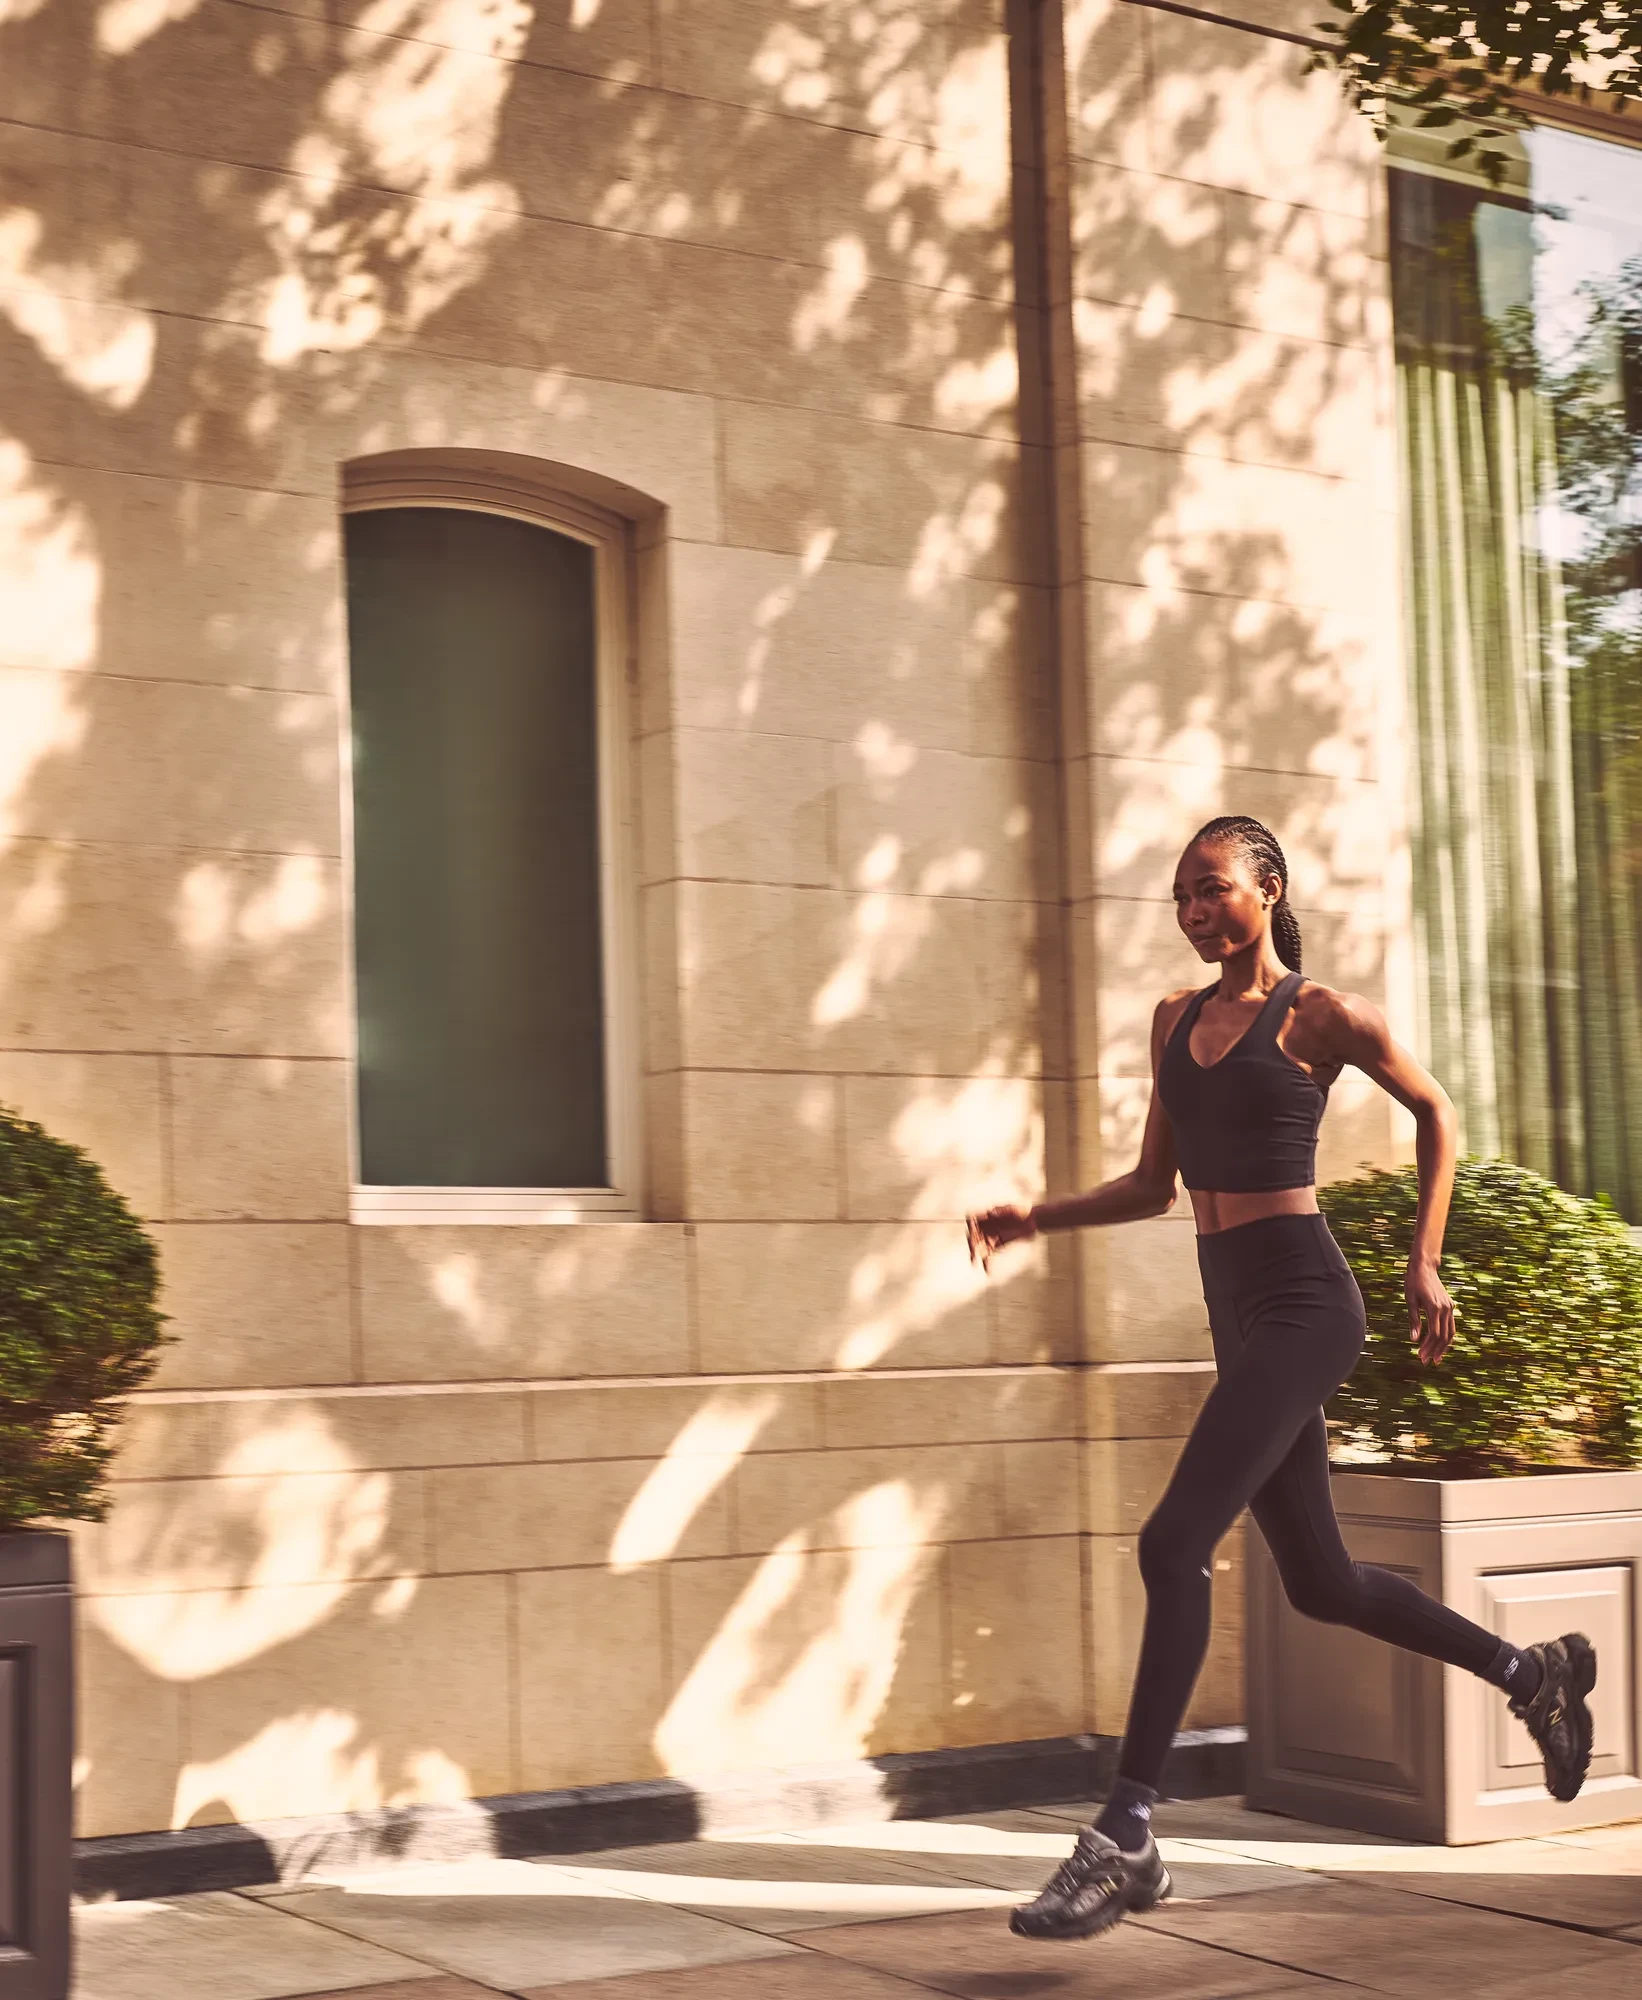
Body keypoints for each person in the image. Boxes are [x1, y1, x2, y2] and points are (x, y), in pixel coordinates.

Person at [966, 814, 1596, 1946]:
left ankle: (1124, 1834)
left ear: (1266, 887)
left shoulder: (1319, 1016)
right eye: (1181, 898)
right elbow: (1155, 1185)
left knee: (1171, 1543)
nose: (1196, 912)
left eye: (1212, 888)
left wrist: (1424, 1255)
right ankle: (1530, 1669)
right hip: (1234, 1307)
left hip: (1307, 1305)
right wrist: (1036, 1215)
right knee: (1321, 1580)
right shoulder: (1171, 1021)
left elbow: (1437, 1111)